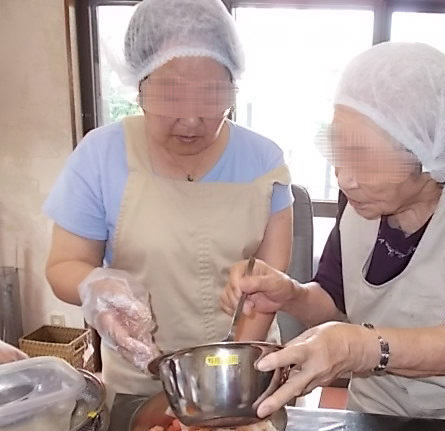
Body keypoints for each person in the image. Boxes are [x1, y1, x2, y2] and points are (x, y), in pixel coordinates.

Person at [221, 42, 445, 427]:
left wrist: (359, 347)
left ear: (426, 151)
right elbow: (336, 298)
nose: (345, 177)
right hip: (380, 412)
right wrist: (291, 295)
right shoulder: (362, 188)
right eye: (341, 151)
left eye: (368, 158)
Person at [43, 0, 293, 395]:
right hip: (137, 379)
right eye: (170, 97)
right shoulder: (102, 155)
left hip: (244, 375)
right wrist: (95, 286)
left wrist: (228, 375)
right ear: (139, 86)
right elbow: (63, 265)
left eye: (212, 97)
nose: (191, 120)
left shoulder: (264, 161)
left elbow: (267, 286)